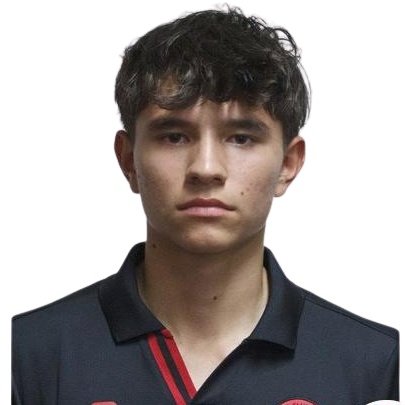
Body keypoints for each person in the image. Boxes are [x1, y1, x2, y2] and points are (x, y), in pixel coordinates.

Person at [12, 6, 399, 404]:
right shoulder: (25, 355)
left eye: (241, 138)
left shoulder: (375, 365)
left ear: (288, 163)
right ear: (128, 160)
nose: (206, 168)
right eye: (174, 136)